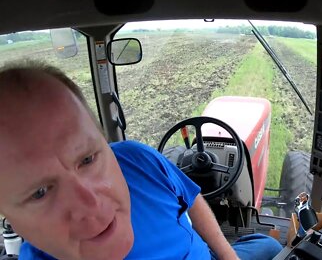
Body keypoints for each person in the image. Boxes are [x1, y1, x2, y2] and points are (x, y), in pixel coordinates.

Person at [0, 61, 282, 260]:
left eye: (87, 159)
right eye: (40, 192)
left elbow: (192, 199)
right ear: (9, 220)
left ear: (105, 144)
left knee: (268, 245)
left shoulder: (138, 159)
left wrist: (227, 256)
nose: (92, 204)